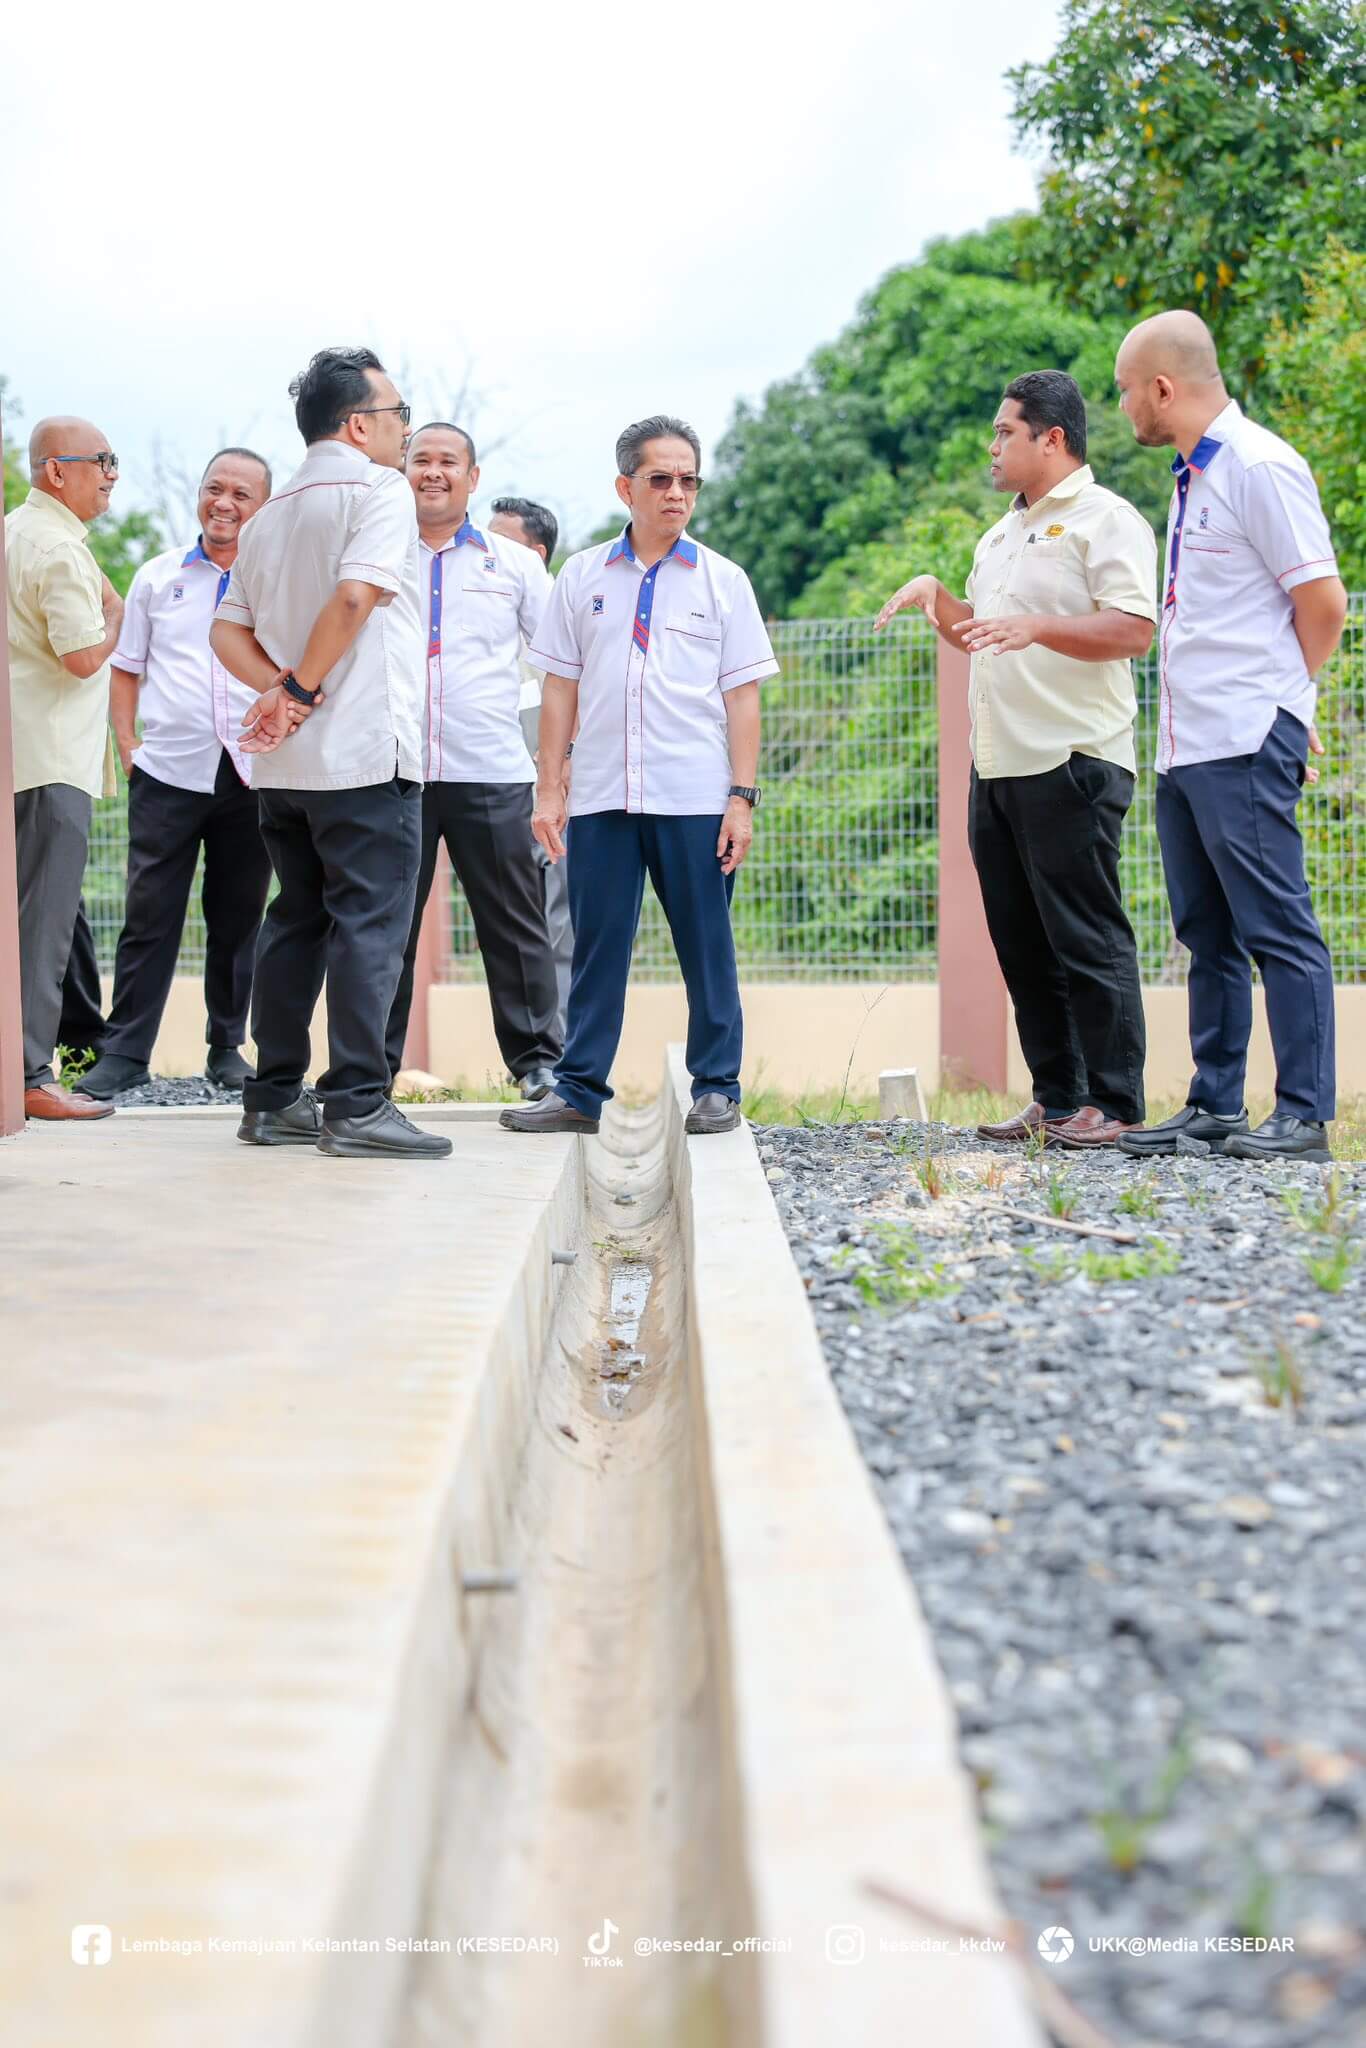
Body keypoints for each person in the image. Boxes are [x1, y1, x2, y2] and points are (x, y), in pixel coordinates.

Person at [877, 370, 1158, 1149]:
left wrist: (1038, 627)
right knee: (1023, 943)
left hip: (1072, 759)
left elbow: (1134, 629)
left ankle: (1116, 1103)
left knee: (1087, 937)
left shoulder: (1107, 520)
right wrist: (939, 598)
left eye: (1006, 432)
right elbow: (983, 634)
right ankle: (1058, 1098)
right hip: (997, 766)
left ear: (1052, 438)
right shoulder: (998, 538)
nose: (993, 447)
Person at [1112, 311, 1347, 1163]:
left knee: (1276, 924)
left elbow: (1324, 603)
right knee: (1206, 932)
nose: (1124, 407)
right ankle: (1215, 1104)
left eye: (1126, 391)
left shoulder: (1259, 466)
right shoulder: (1193, 476)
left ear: (1162, 387)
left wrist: (1286, 706)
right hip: (1188, 744)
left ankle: (1304, 1115)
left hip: (1245, 734)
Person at [500, 414, 776, 1139]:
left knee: (707, 948)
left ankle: (716, 1087)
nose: (676, 493)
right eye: (660, 479)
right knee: (596, 950)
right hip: (601, 797)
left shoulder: (723, 580)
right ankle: (578, 1092)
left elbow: (743, 697)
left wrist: (741, 800)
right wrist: (549, 788)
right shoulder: (582, 576)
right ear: (626, 487)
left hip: (694, 796)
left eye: (688, 480)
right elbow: (559, 688)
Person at [208, 347, 451, 1161]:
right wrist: (302, 691)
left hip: (285, 767)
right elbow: (355, 595)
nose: (404, 431)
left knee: (295, 920)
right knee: (370, 928)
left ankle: (274, 1099)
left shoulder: (268, 515)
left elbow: (225, 633)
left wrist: (278, 693)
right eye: (398, 415)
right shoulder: (380, 490)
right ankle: (356, 1105)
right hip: (362, 754)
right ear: (357, 425)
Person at [78, 449, 274, 1100]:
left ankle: (227, 1047)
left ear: (263, 507)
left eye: (241, 495)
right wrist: (126, 742)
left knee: (238, 915)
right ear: (200, 494)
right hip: (166, 771)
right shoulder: (159, 577)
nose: (225, 503)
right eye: (215, 488)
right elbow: (127, 666)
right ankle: (125, 1052)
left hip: (252, 772)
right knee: (149, 913)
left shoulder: (275, 581)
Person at [382, 430, 561, 1098]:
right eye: (420, 461)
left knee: (513, 922)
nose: (433, 473)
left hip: (490, 766)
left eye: (447, 463)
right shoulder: (374, 553)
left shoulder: (514, 565)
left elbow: (561, 665)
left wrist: (558, 764)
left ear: (472, 477)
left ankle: (538, 1062)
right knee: (383, 926)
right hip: (393, 767)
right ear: (402, 470)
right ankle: (369, 1071)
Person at [6, 416, 125, 1123]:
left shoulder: (17, 532)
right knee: (42, 929)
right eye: (101, 460)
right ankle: (27, 1075)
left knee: (24, 923)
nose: (112, 474)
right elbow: (81, 657)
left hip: (18, 756)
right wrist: (117, 614)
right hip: (51, 763)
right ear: (58, 470)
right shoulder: (56, 548)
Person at [489, 494, 575, 1041]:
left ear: (535, 555)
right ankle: (530, 1052)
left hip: (555, 779)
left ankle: (560, 1053)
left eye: (500, 542)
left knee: (560, 921)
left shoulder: (563, 616)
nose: (485, 551)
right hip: (494, 783)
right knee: (512, 924)